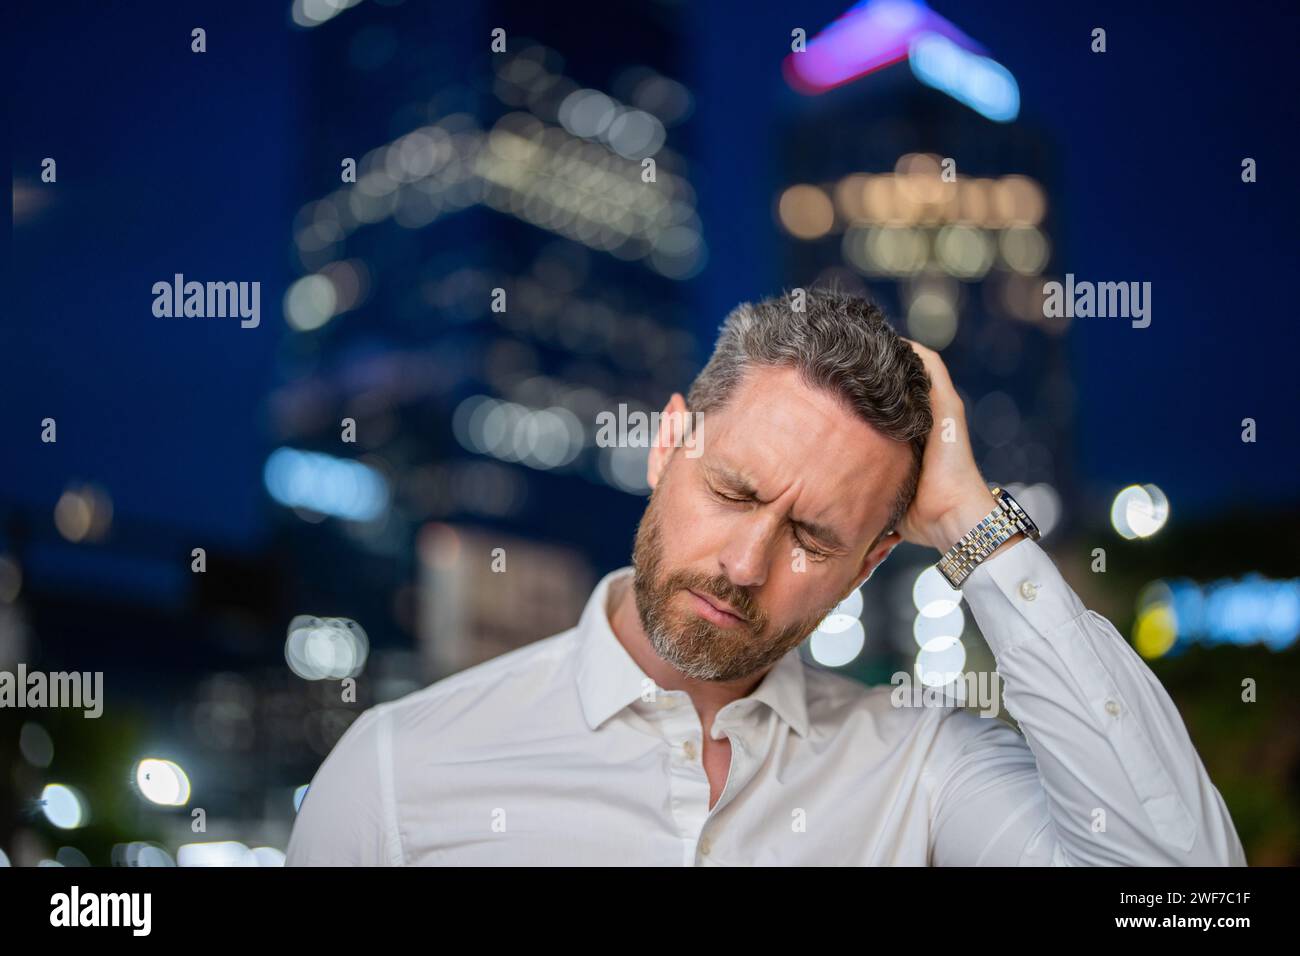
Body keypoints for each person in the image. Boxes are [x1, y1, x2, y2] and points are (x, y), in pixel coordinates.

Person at [285, 289, 1245, 866]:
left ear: (872, 565)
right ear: (667, 443)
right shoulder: (397, 769)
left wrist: (971, 524)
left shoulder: (923, 767)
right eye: (734, 491)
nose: (745, 566)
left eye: (815, 539)